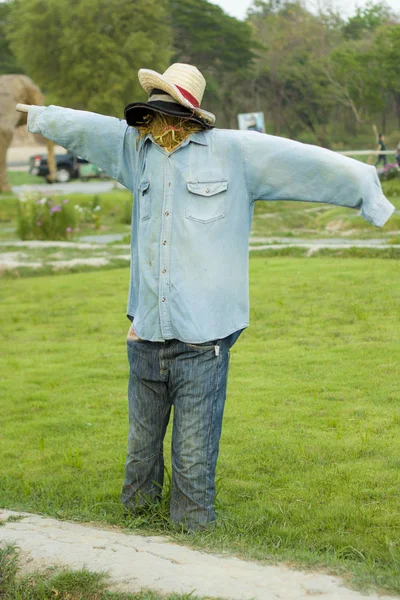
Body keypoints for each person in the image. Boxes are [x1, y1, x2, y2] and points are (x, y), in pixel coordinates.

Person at [17, 63, 395, 532]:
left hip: (204, 339)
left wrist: (370, 196)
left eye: (172, 117)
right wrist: (37, 116)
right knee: (138, 462)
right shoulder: (136, 150)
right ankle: (135, 534)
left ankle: (193, 538)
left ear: (193, 117)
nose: (161, 128)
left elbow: (306, 162)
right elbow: (90, 128)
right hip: (147, 332)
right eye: (154, 117)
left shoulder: (237, 153)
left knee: (193, 470)